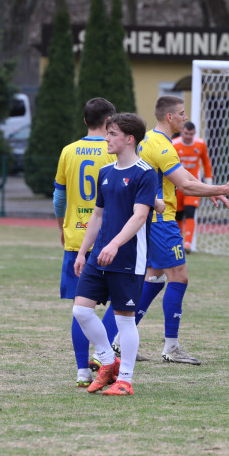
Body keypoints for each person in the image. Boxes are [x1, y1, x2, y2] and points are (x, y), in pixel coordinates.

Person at [105, 95, 229, 366]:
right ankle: (171, 347)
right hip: (161, 221)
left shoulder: (152, 140)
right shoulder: (163, 146)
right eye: (181, 113)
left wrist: (211, 191)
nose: (185, 117)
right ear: (169, 117)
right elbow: (185, 185)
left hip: (148, 220)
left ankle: (119, 340)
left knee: (154, 279)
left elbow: (181, 176)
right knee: (179, 277)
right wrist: (222, 189)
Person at [73, 113, 159, 396]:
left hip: (128, 258)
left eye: (112, 134)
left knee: (124, 319)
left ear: (129, 139)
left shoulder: (145, 173)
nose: (107, 138)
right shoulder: (106, 172)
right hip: (98, 256)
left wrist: (115, 245)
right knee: (81, 310)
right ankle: (108, 361)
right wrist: (83, 252)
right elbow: (97, 216)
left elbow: (139, 216)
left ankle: (125, 380)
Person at [54, 97, 122, 388]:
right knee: (122, 304)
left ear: (84, 121)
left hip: (76, 239)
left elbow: (59, 196)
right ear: (109, 121)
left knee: (80, 307)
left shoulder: (68, 151)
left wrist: (63, 225)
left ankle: (83, 371)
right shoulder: (113, 150)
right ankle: (102, 355)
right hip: (109, 240)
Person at [172, 120, 212, 252]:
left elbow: (206, 163)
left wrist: (209, 183)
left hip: (194, 184)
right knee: (178, 215)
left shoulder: (200, 144)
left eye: (191, 134)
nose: (188, 136)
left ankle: (188, 243)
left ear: (194, 133)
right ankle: (178, 242)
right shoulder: (174, 144)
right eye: (186, 133)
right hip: (177, 184)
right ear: (181, 132)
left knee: (190, 211)